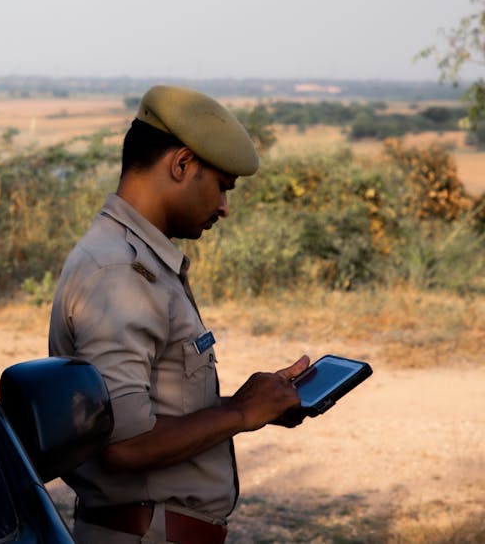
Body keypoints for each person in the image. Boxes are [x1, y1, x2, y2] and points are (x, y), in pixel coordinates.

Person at [48, 85, 310, 544]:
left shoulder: (138, 260)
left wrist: (252, 403)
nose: (225, 208)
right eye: (222, 188)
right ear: (182, 164)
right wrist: (242, 415)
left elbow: (157, 412)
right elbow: (125, 446)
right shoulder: (120, 272)